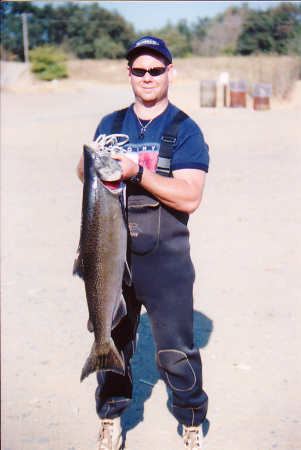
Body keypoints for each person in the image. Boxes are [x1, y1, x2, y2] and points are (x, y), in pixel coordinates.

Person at [77, 36, 209, 450]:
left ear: (170, 72)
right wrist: (89, 161)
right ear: (128, 73)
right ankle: (111, 419)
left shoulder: (185, 129)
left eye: (156, 70)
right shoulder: (110, 124)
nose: (147, 77)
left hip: (165, 258)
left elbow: (190, 195)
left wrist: (135, 172)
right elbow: (85, 175)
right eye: (139, 70)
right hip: (108, 253)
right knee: (113, 339)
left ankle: (190, 421)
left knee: (176, 350)